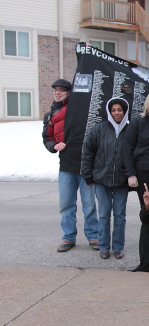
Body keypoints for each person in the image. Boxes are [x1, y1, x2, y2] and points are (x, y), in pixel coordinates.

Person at [42, 78, 99, 252]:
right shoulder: (51, 115)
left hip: (86, 166)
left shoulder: (79, 109)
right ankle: (68, 237)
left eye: (61, 90)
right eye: (55, 90)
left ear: (69, 92)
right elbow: (47, 138)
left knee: (89, 204)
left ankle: (93, 235)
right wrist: (54, 146)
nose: (57, 93)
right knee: (66, 205)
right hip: (66, 167)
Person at [81, 98, 130, 259]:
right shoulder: (99, 129)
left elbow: (134, 155)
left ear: (125, 111)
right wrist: (88, 175)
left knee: (120, 215)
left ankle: (117, 247)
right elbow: (88, 152)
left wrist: (131, 174)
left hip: (121, 180)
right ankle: (103, 246)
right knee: (103, 214)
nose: (117, 113)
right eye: (114, 110)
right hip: (101, 179)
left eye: (120, 110)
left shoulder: (130, 130)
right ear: (109, 111)